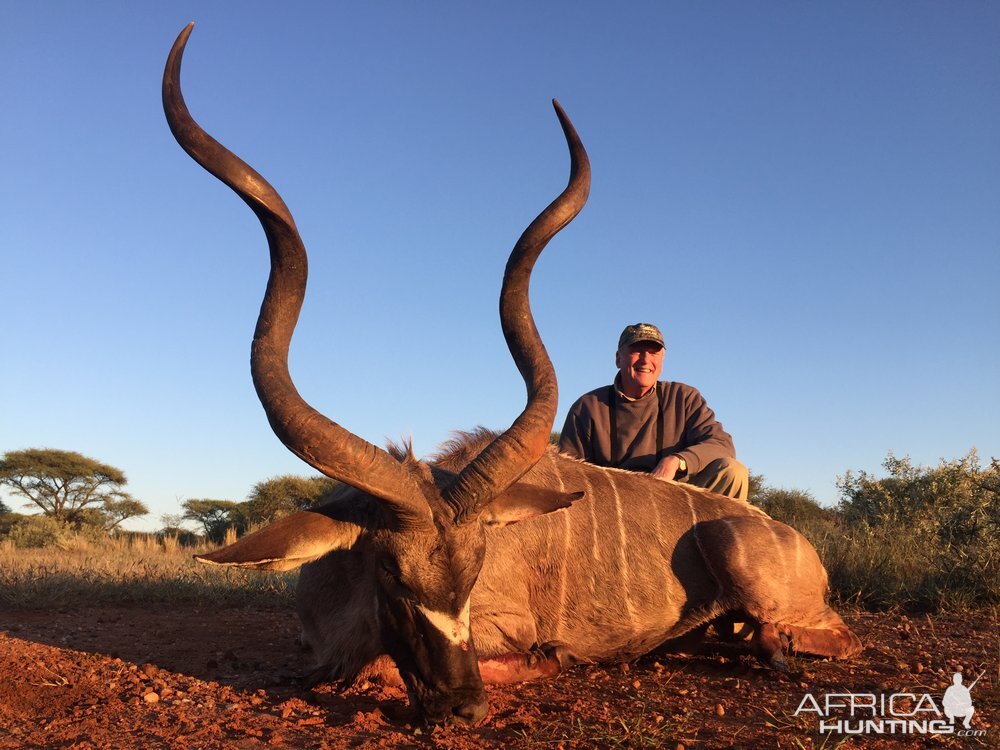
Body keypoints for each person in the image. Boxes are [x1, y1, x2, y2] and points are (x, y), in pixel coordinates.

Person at [559, 322, 749, 500]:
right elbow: (568, 473)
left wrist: (677, 461)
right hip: (615, 510)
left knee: (732, 471)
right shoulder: (587, 407)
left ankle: (710, 536)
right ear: (618, 358)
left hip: (673, 504)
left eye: (653, 352)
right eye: (636, 351)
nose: (645, 360)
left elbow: (722, 444)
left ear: (662, 359)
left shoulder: (683, 397)